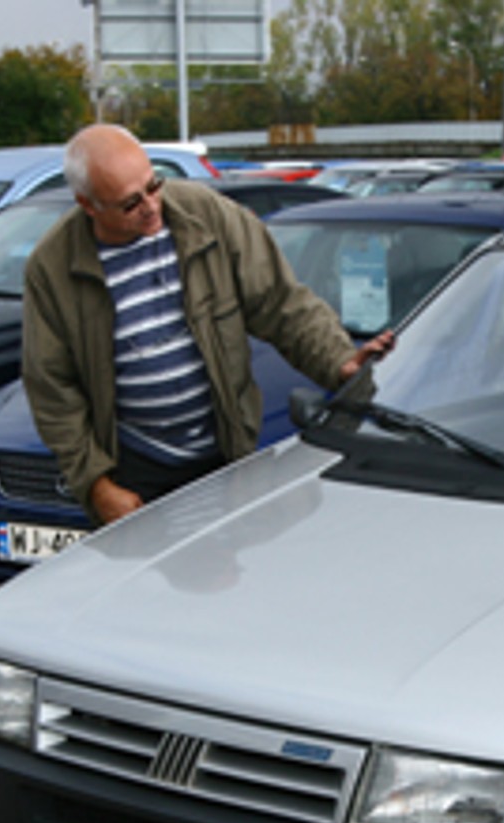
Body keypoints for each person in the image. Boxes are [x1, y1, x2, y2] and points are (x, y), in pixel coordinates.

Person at [22, 125, 394, 525]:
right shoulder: (53, 268)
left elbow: (280, 302)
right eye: (130, 204)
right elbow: (51, 388)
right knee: (153, 587)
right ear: (88, 204)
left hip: (225, 457)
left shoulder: (209, 216)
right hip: (137, 474)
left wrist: (339, 361)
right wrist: (96, 484)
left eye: (153, 186)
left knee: (227, 577)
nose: (150, 206)